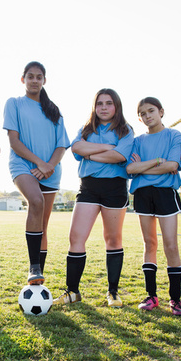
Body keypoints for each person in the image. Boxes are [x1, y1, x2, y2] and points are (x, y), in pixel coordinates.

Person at [54, 88, 134, 307]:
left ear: (116, 106)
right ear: (94, 106)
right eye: (100, 103)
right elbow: (76, 148)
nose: (104, 107)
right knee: (76, 238)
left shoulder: (125, 131)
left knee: (113, 239)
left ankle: (113, 292)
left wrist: (90, 153)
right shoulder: (86, 129)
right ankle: (72, 291)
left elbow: (120, 155)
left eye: (109, 103)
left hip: (115, 188)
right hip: (88, 187)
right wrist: (105, 149)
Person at [3, 61, 70, 285]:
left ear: (44, 80)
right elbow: (14, 141)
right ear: (23, 79)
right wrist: (40, 163)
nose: (34, 80)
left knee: (43, 225)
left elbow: (62, 145)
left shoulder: (54, 110)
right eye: (30, 76)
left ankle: (38, 276)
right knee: (36, 200)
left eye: (38, 77)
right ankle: (33, 267)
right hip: (23, 166)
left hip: (51, 170)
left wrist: (49, 165)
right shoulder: (14, 104)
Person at [126, 97, 181, 314]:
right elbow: (130, 169)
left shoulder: (173, 135)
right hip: (142, 194)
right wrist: (156, 161)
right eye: (142, 113)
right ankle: (151, 295)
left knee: (170, 244)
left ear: (161, 111)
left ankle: (176, 299)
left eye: (151, 111)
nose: (147, 116)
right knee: (149, 243)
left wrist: (143, 167)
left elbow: (172, 165)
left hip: (165, 193)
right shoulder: (137, 141)